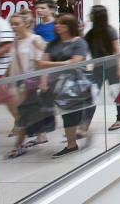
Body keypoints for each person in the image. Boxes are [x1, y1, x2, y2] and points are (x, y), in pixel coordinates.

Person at [37, 13, 88, 158]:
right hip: (55, 83)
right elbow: (41, 63)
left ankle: (71, 144)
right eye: (57, 24)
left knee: (70, 114)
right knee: (54, 112)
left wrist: (51, 64)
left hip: (73, 84)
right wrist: (62, 64)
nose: (58, 26)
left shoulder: (79, 42)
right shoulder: (53, 43)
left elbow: (75, 63)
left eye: (62, 24)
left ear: (69, 26)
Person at [4, 9, 48, 159]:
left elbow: (43, 61)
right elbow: (13, 60)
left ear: (27, 24)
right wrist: (6, 75)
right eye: (12, 24)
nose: (13, 27)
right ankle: (41, 135)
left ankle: (18, 146)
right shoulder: (16, 41)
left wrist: (43, 82)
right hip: (17, 81)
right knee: (22, 113)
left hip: (29, 82)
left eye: (17, 24)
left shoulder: (35, 40)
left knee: (21, 115)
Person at [82, 5, 120, 133]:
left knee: (117, 93)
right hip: (98, 68)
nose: (89, 16)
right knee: (92, 94)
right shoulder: (91, 33)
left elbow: (117, 50)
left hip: (112, 67)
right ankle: (84, 125)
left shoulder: (109, 31)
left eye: (91, 13)